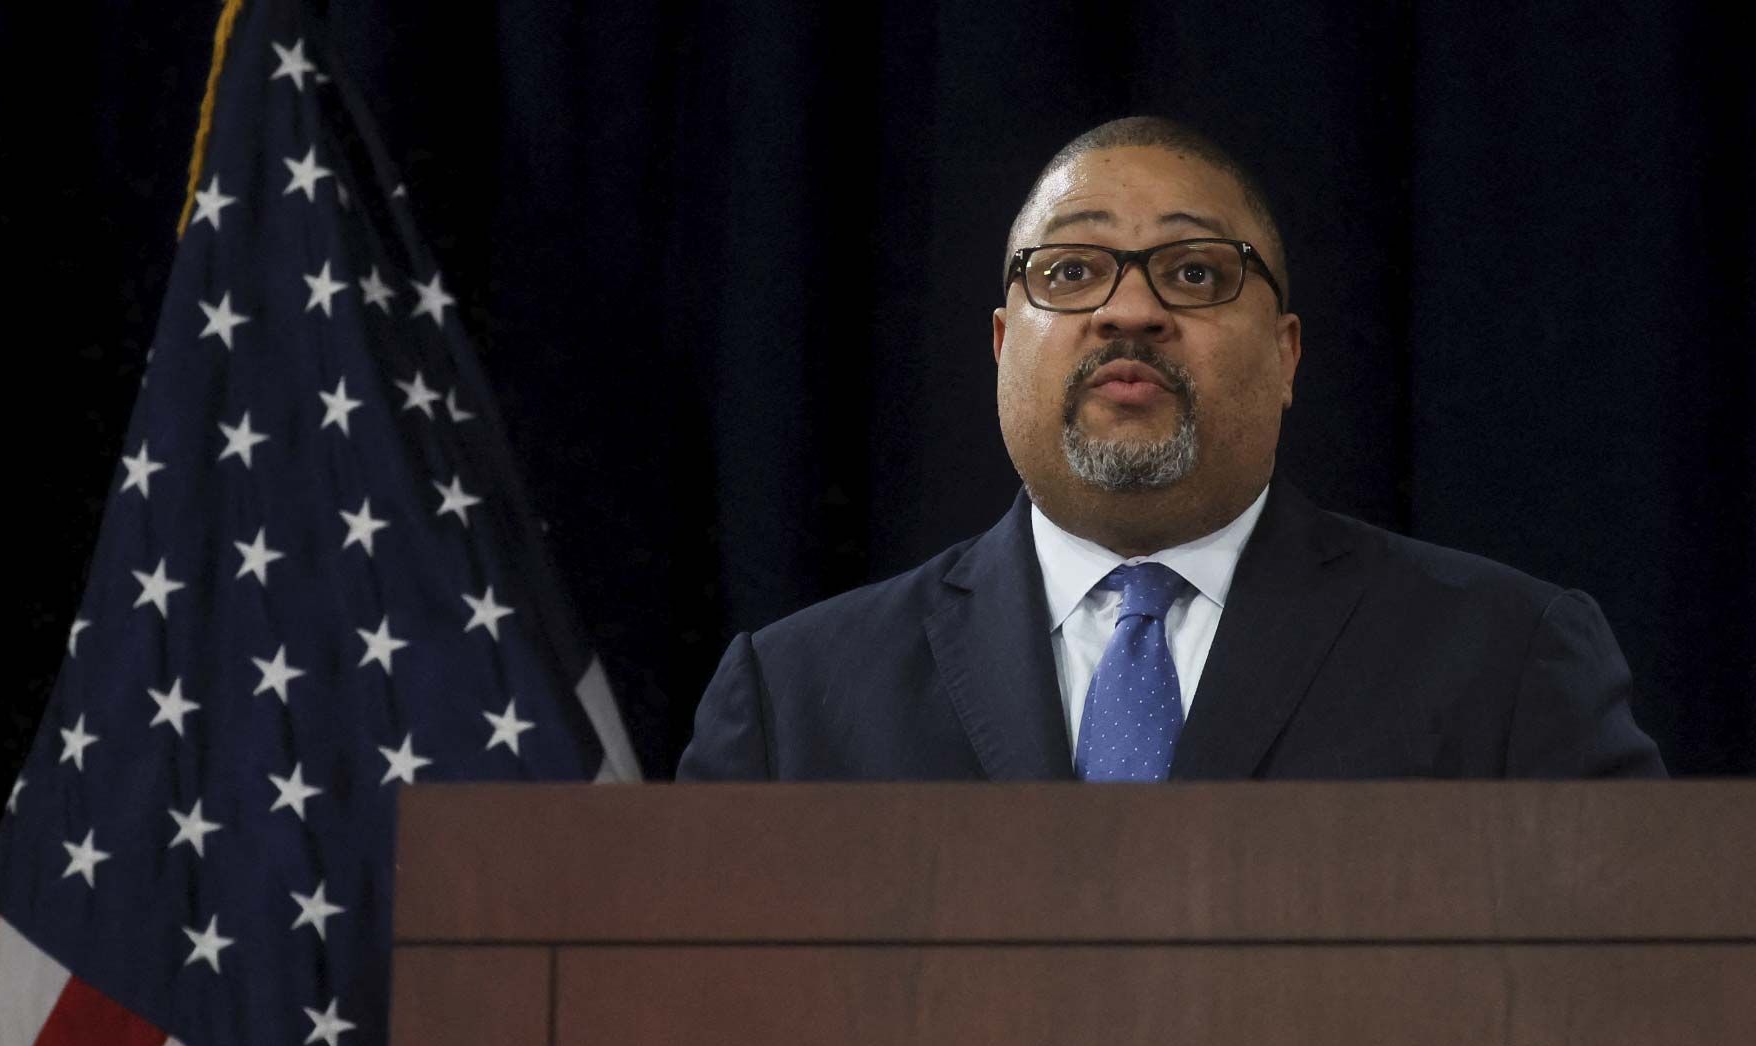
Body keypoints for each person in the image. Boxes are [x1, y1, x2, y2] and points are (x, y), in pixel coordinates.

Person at [678, 116, 1665, 781]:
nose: (1131, 311)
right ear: (999, 344)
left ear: (1286, 357)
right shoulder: (792, 702)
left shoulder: (1508, 657)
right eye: (1071, 270)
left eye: (1195, 273)